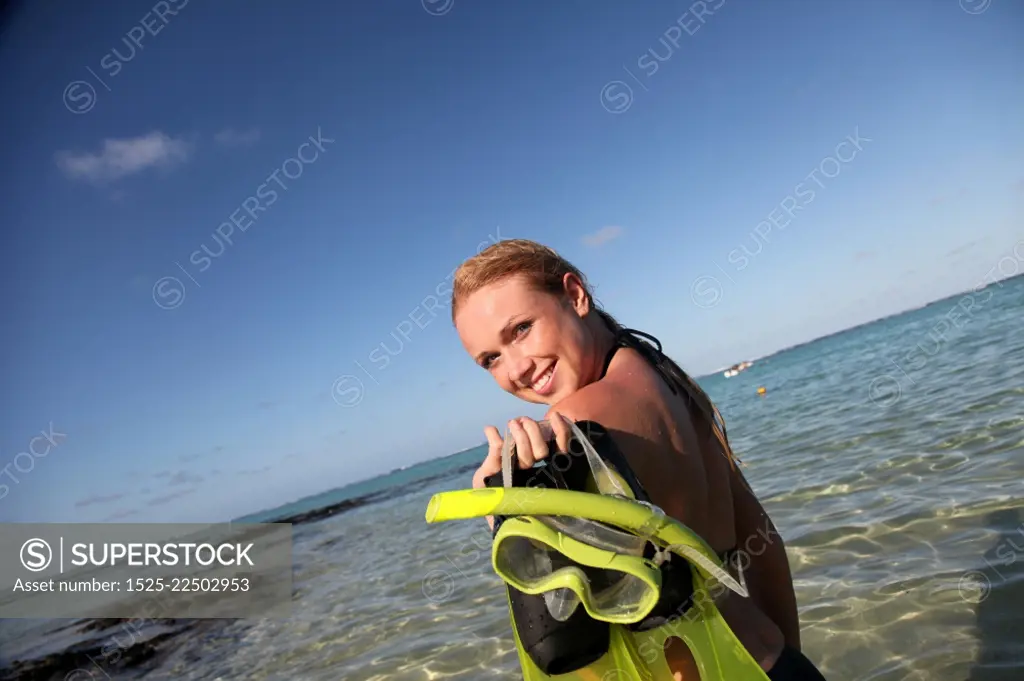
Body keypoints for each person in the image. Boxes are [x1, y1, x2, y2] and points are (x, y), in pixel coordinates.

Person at [450, 238, 826, 680]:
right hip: (777, 660)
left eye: (521, 329)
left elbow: (564, 646)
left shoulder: (571, 431)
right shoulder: (669, 381)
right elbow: (761, 542)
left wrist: (505, 508)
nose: (515, 369)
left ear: (575, 296)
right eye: (491, 359)